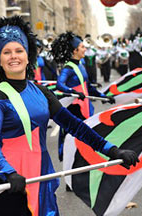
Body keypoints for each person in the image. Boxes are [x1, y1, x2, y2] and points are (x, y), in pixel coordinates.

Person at [0, 16, 139, 216]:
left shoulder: (41, 92)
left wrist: (112, 150)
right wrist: (8, 171)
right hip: (9, 182)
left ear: (28, 54)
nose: (13, 56)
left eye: (18, 50)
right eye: (7, 52)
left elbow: (76, 126)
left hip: (40, 177)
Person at [50, 31, 115, 162]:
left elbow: (88, 87)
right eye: (82, 47)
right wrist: (72, 91)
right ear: (75, 50)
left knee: (84, 138)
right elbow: (59, 84)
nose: (85, 49)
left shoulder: (81, 65)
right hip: (74, 109)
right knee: (74, 138)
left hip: (85, 107)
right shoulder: (68, 68)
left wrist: (104, 96)